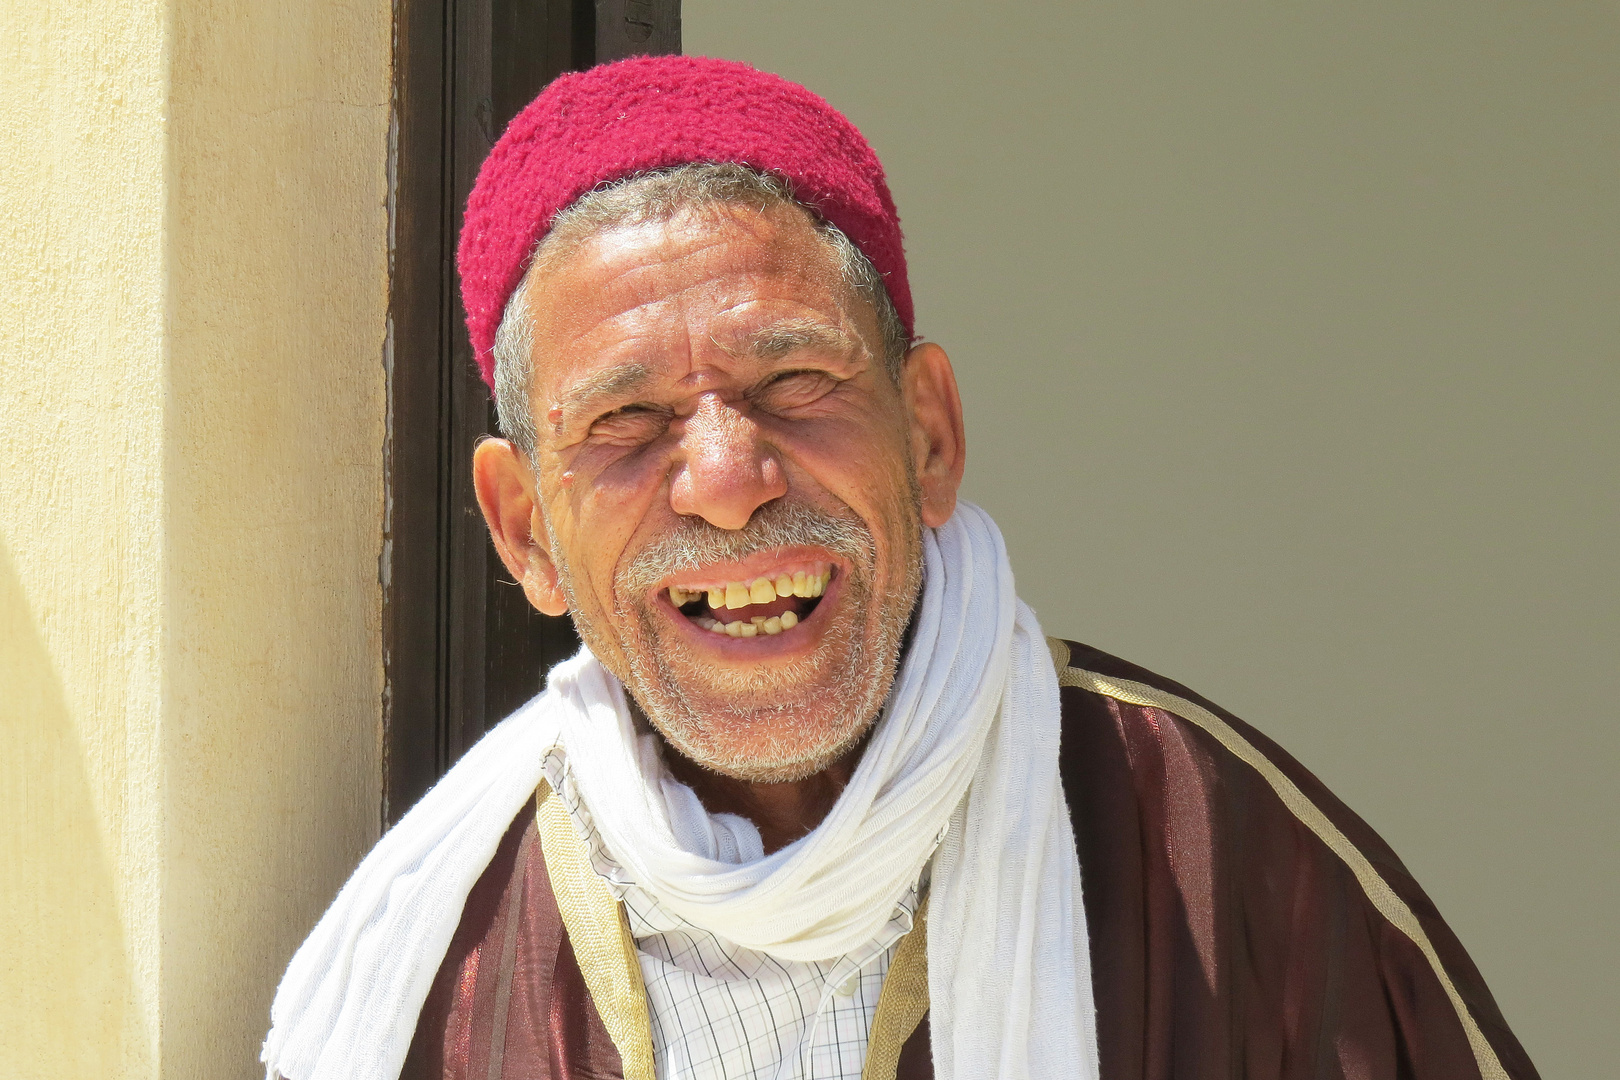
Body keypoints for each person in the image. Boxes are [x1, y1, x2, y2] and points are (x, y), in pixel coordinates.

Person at [262, 56, 1538, 1080]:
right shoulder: (438, 963)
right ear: (525, 526)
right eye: (626, 423)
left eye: (794, 383)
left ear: (928, 434)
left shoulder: (1213, 858)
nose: (725, 480)